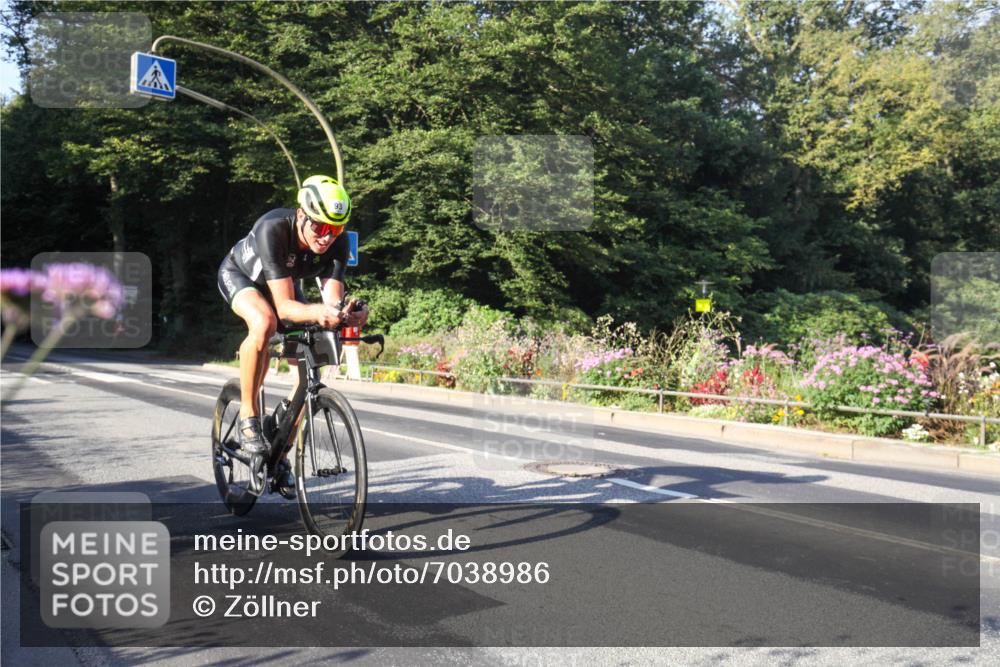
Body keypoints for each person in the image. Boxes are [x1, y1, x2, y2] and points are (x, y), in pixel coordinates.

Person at [217, 175, 369, 465]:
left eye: (336, 229)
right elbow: (285, 308)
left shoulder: (336, 242)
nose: (327, 236)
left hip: (282, 284)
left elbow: (332, 299)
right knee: (264, 322)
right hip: (240, 276)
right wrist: (317, 313)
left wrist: (349, 313)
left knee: (313, 360)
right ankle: (249, 417)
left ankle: (280, 449)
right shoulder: (273, 228)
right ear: (301, 214)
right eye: (321, 226)